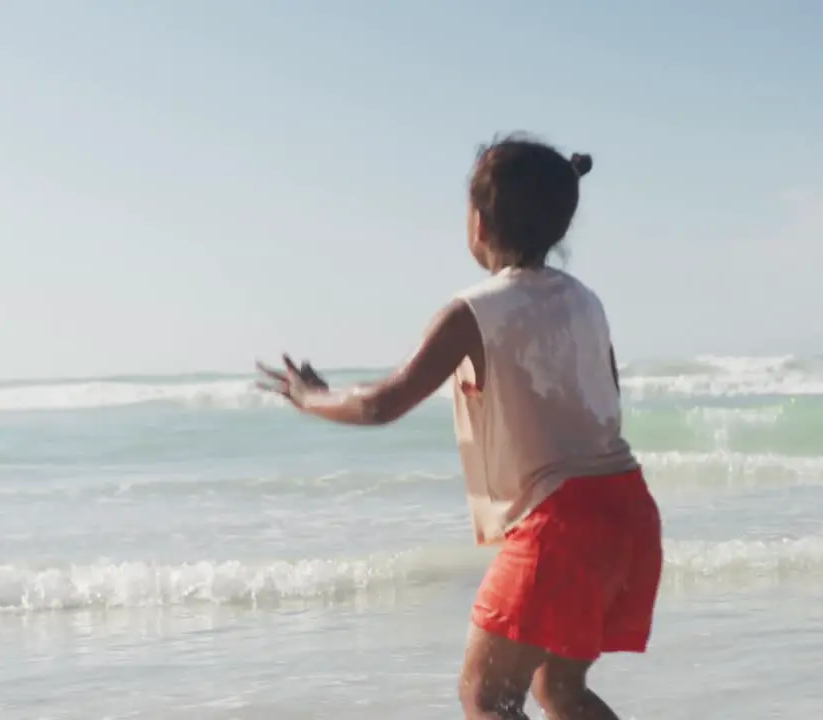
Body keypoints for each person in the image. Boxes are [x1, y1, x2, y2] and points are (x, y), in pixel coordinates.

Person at [256, 133, 662, 720]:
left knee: (486, 697)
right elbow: (606, 400)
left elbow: (381, 404)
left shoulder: (472, 311)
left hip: (560, 522)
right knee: (560, 692)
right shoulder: (585, 302)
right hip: (627, 510)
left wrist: (310, 395)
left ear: (479, 222)